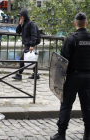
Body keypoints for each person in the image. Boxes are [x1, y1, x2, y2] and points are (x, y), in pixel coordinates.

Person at [50, 12, 90, 140]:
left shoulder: (70, 39)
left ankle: (61, 134)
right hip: (88, 77)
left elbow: (62, 61)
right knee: (88, 107)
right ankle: (88, 135)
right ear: (86, 23)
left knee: (66, 105)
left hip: (73, 76)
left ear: (75, 23)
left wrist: (60, 80)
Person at [12, 9, 40, 80]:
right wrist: (20, 24)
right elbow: (17, 31)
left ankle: (19, 74)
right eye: (20, 16)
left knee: (22, 59)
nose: (21, 17)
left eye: (22, 16)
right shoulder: (24, 24)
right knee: (31, 59)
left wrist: (31, 45)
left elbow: (34, 35)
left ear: (25, 16)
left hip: (29, 44)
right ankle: (36, 74)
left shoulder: (31, 24)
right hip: (27, 43)